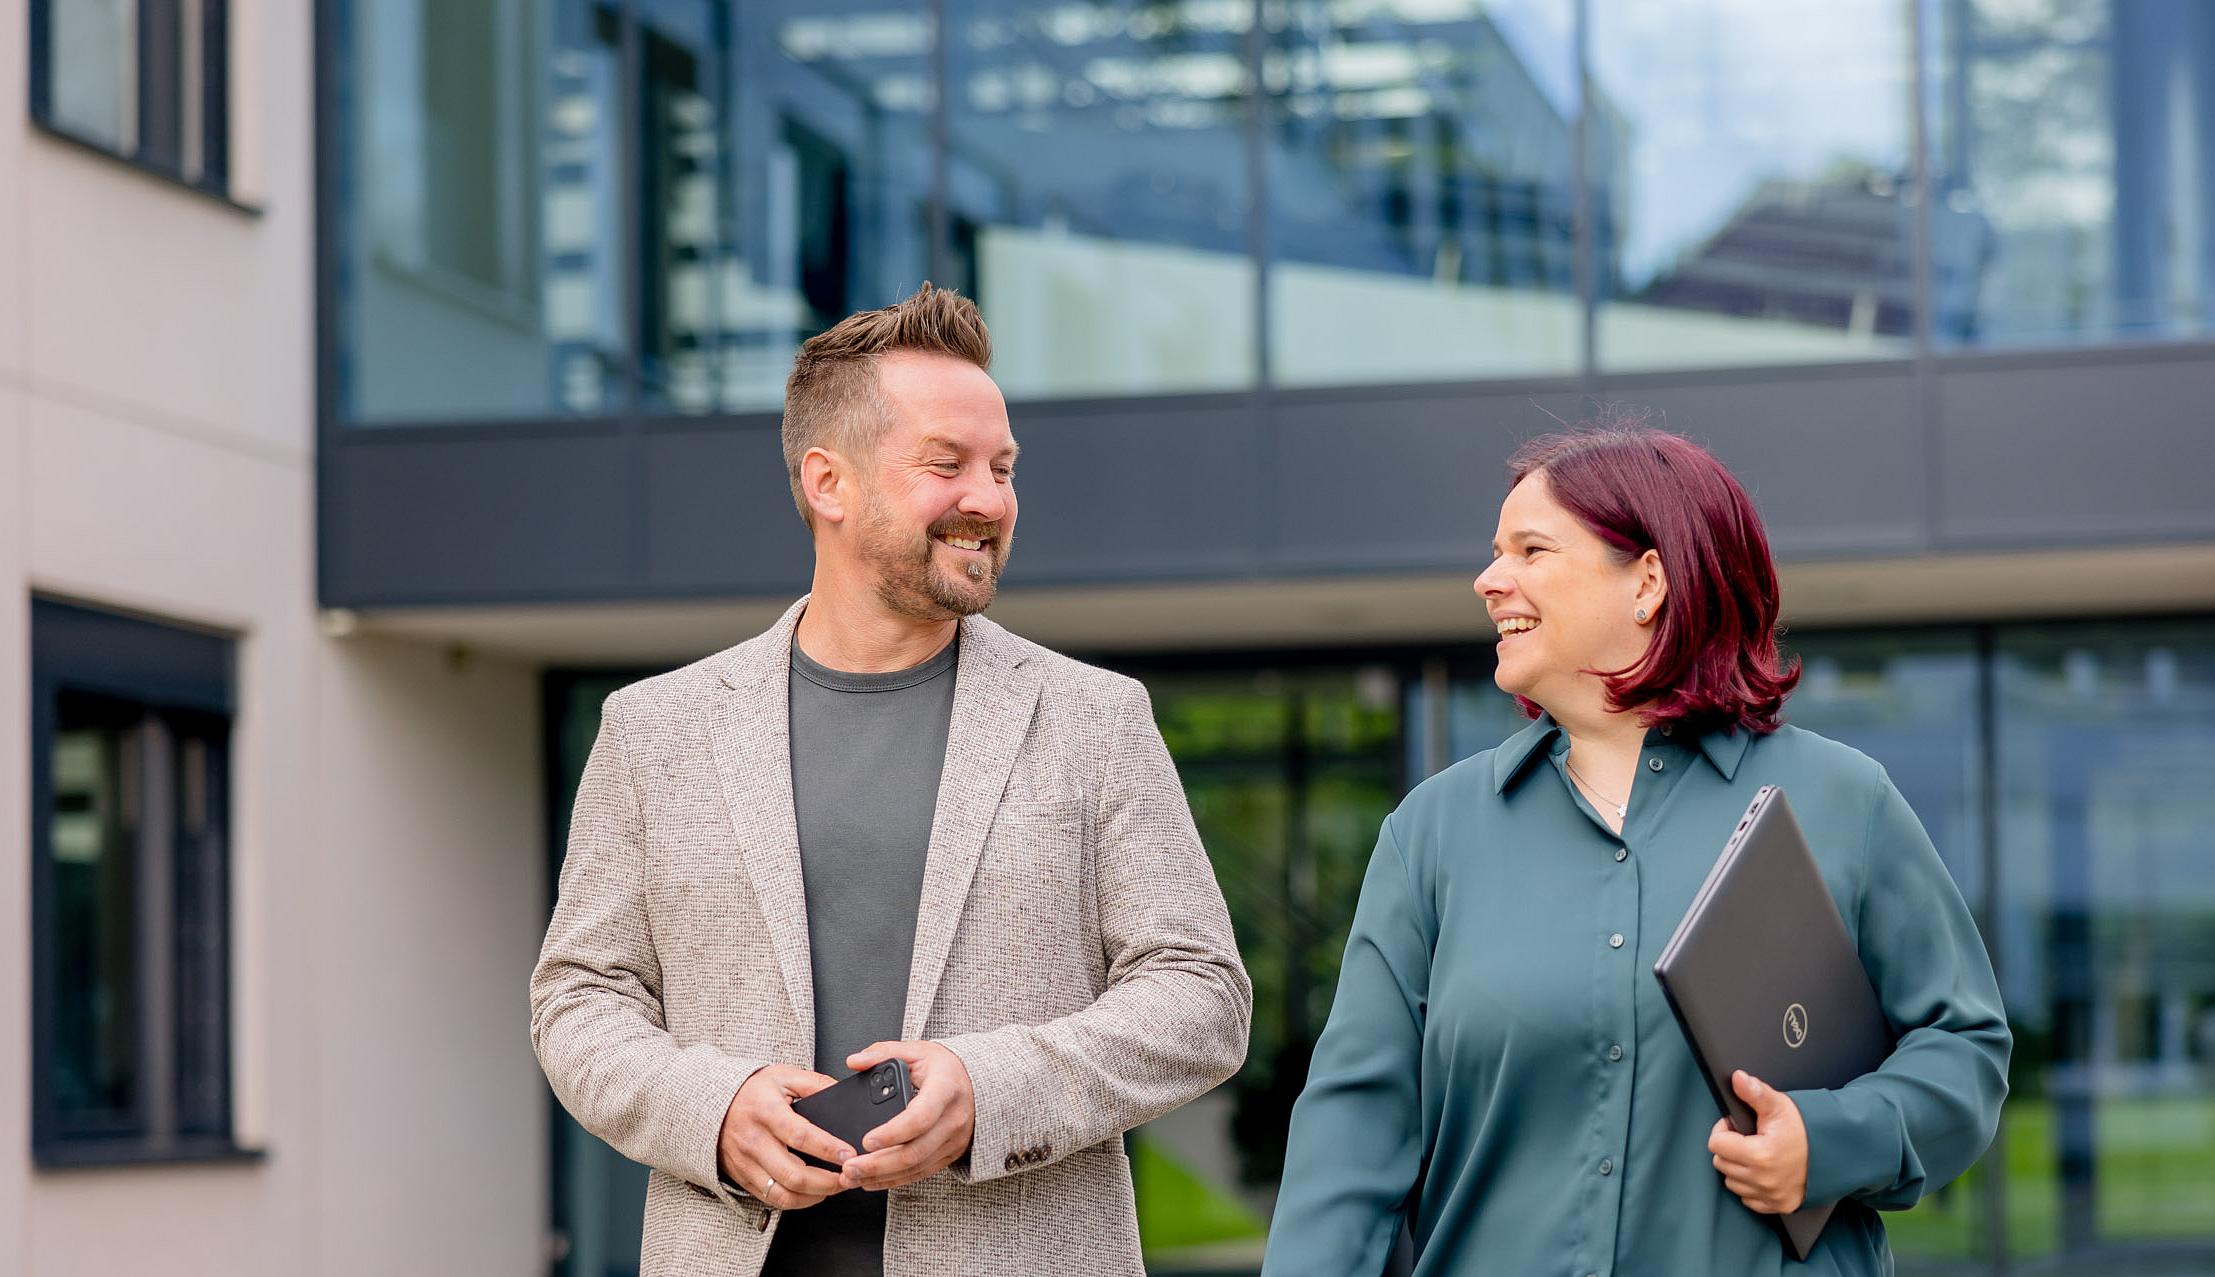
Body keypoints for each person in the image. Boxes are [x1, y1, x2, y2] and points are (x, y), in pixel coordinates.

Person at [530, 284, 1251, 1276]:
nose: (989, 499)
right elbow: (579, 999)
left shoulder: (1095, 717)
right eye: (945, 464)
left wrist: (993, 1086)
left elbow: (1201, 994)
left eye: (1002, 468)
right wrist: (712, 1108)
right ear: (828, 481)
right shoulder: (656, 730)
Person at [1261, 423, 2009, 1275]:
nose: (1488, 579)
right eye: (1493, 552)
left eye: (1530, 549)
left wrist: (1830, 1141)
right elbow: (1349, 1139)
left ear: (1649, 579)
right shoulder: (1433, 835)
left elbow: (1965, 1050)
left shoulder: (1844, 802)